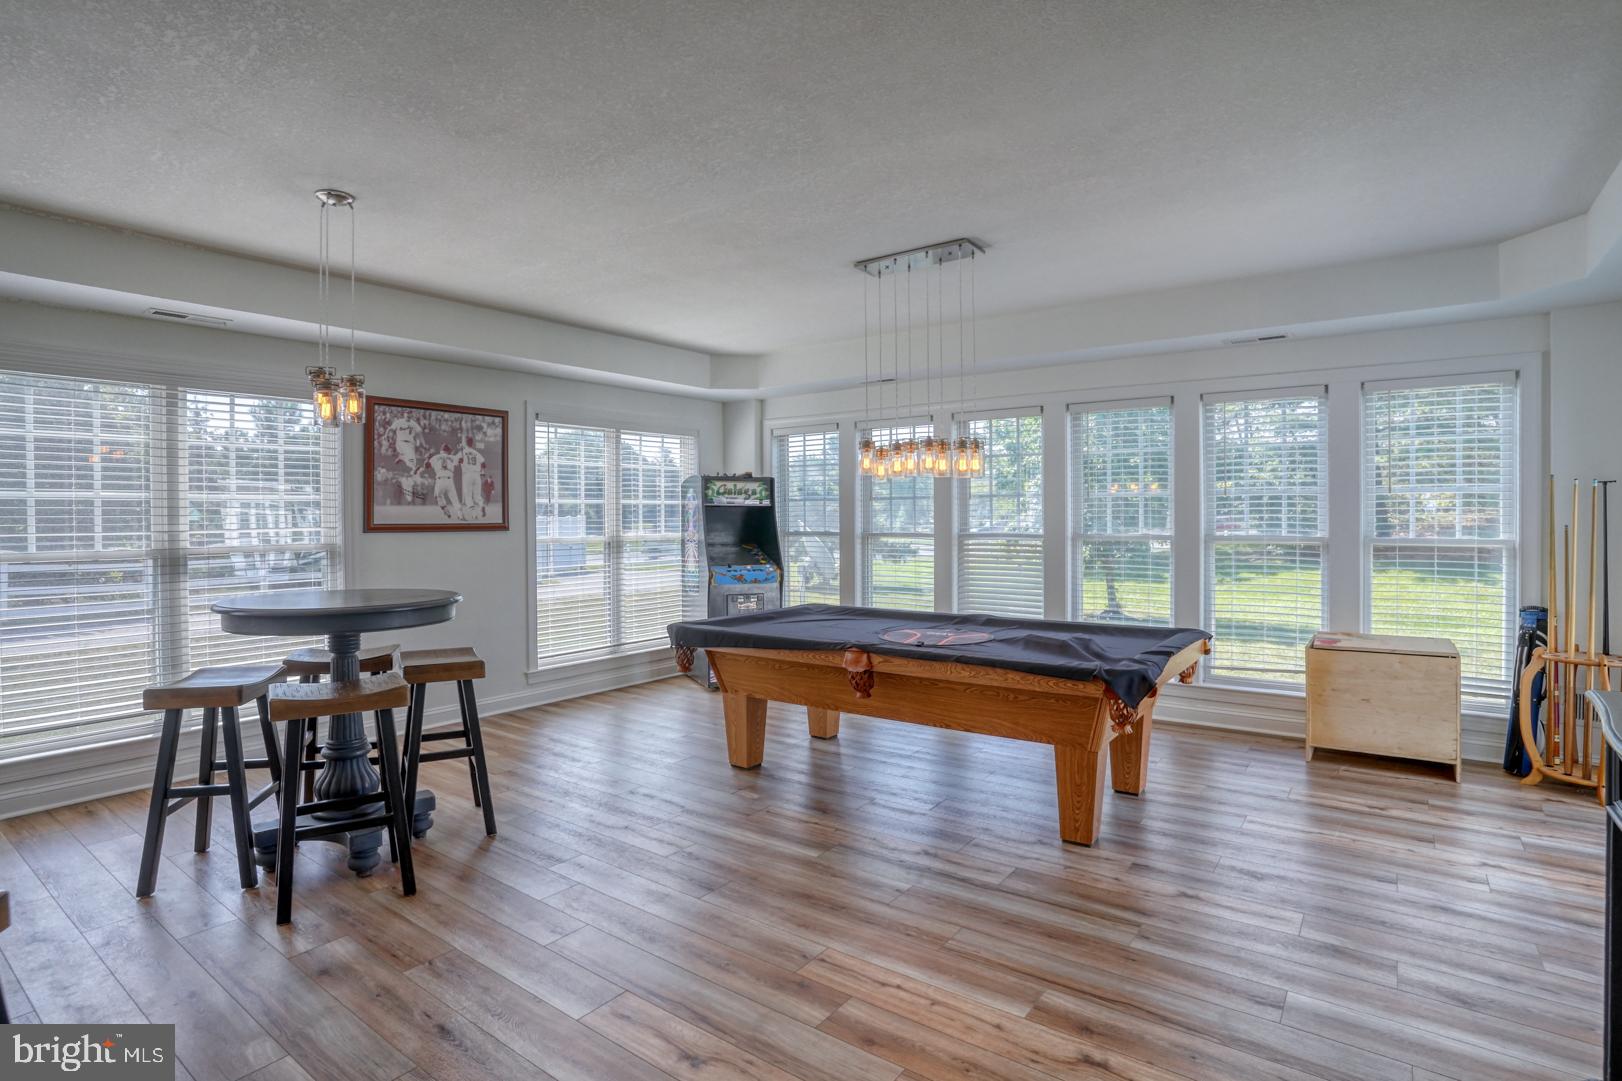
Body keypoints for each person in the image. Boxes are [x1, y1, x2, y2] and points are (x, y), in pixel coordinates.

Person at [423, 442, 462, 518]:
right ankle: (460, 514)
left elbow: (426, 466)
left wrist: (427, 458)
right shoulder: (452, 457)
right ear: (447, 451)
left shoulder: (435, 457)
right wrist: (457, 454)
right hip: (449, 479)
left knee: (437, 496)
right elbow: (460, 461)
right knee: (455, 500)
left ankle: (445, 509)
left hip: (440, 479)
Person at [460, 436, 487, 519]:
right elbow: (484, 464)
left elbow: (457, 461)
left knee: (468, 495)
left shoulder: (462, 452)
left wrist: (460, 451)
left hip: (467, 474)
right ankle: (481, 505)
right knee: (477, 495)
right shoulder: (477, 453)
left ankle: (474, 514)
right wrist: (482, 472)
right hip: (477, 475)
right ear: (472, 443)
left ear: (465, 443)